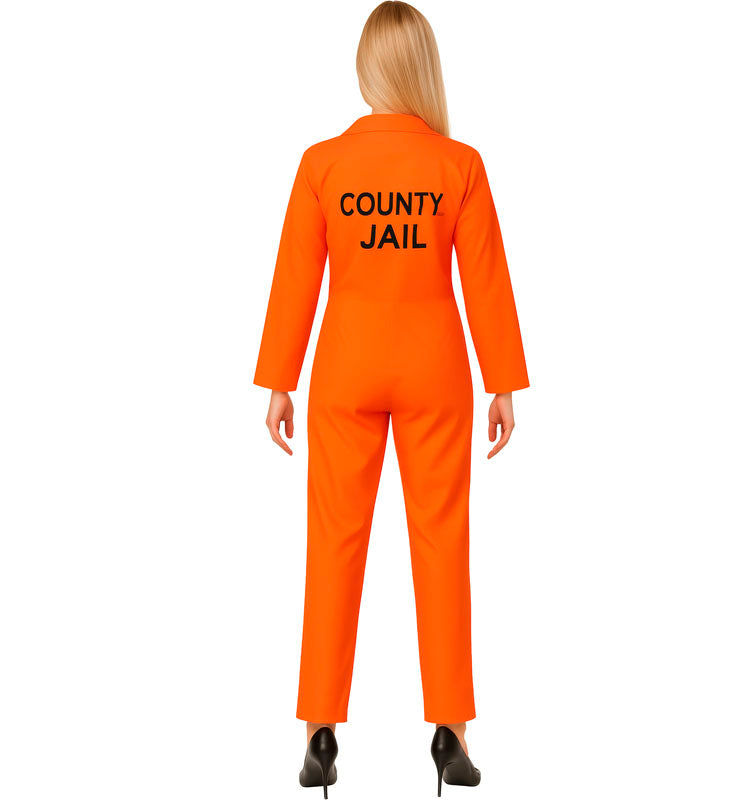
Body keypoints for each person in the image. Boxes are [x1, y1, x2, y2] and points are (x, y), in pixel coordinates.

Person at [253, 2, 529, 795]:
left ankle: (320, 729)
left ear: (366, 67)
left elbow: (296, 277)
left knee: (333, 543)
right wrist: (503, 381)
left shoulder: (323, 164)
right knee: (442, 542)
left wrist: (280, 379)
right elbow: (485, 279)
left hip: (345, 365)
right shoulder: (458, 165)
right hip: (435, 366)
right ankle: (451, 730)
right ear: (422, 68)